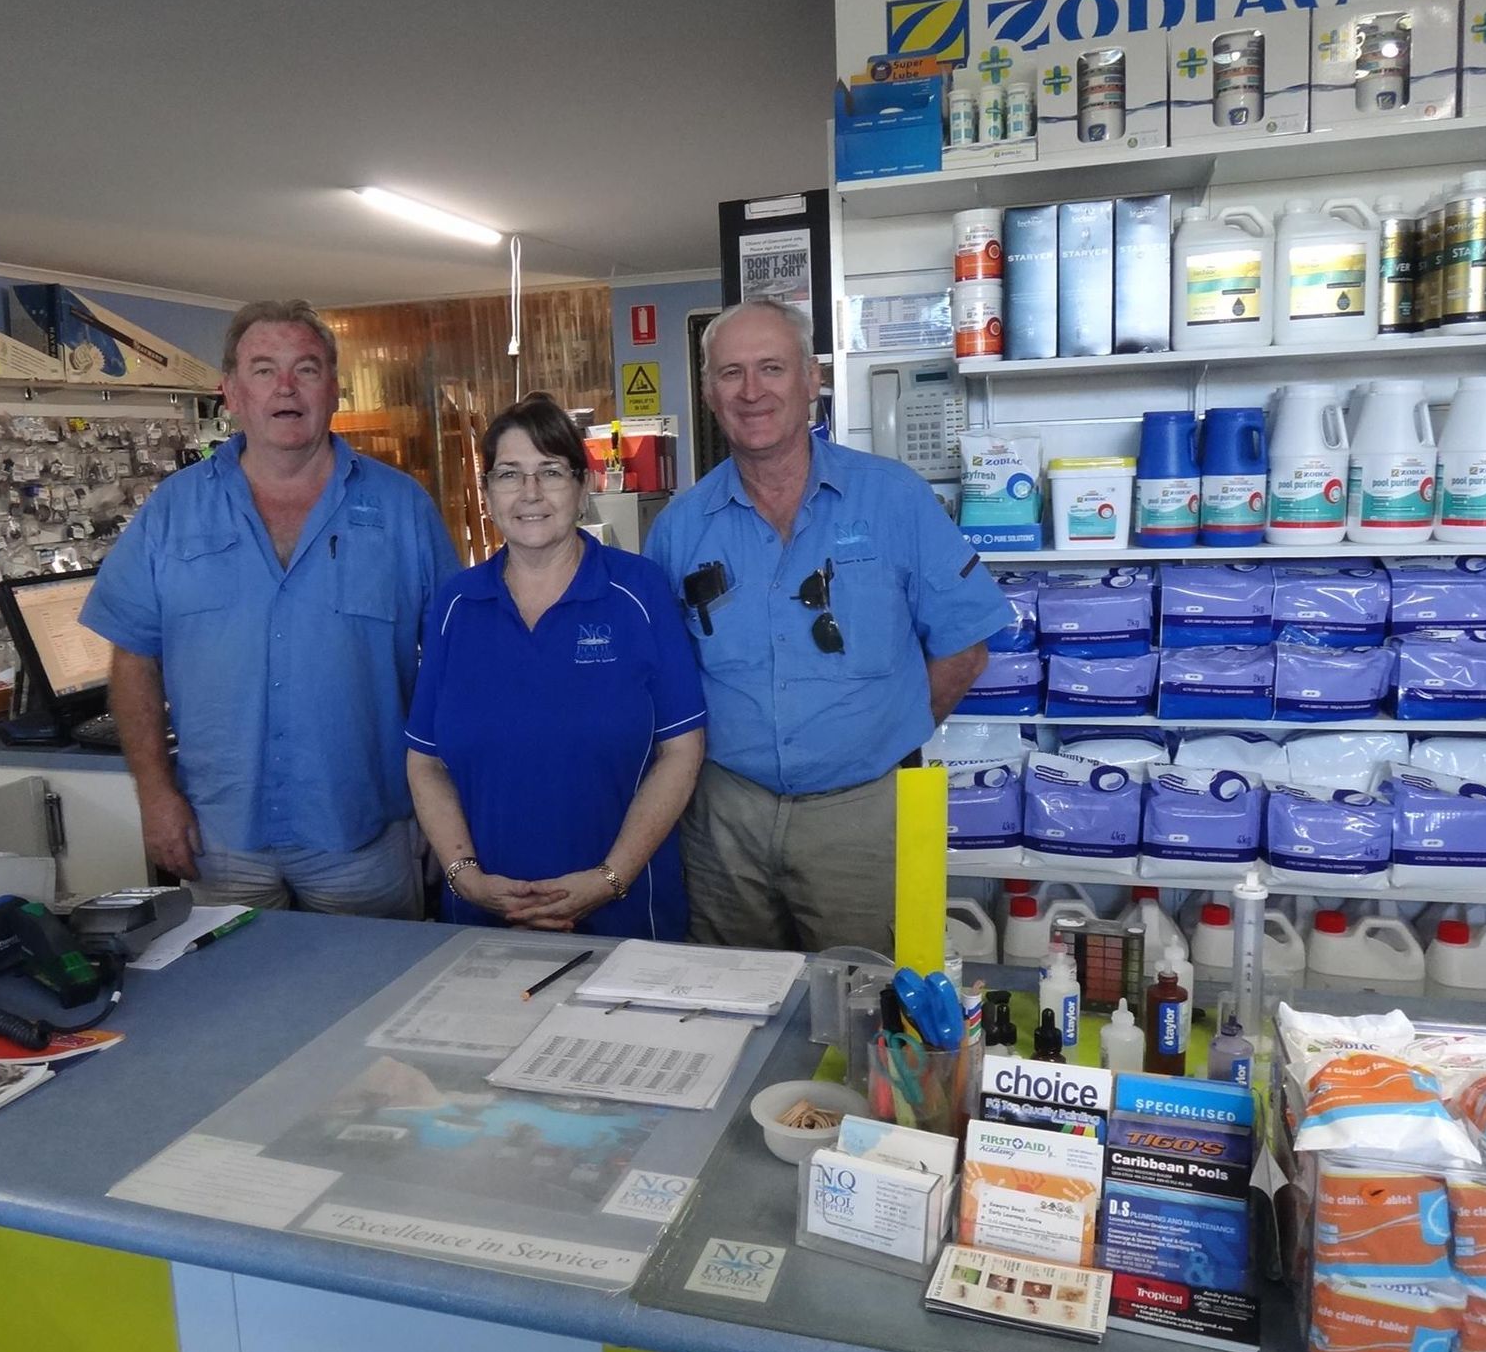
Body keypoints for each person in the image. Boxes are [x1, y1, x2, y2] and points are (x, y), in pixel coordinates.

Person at [643, 298, 1009, 953]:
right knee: (732, 1005)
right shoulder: (679, 526)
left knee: (878, 1010)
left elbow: (965, 648)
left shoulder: (894, 498)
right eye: (731, 374)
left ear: (811, 380)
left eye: (772, 368)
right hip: (723, 819)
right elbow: (659, 680)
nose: (751, 392)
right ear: (707, 391)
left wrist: (876, 741)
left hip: (868, 815)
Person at [82, 299, 460, 916]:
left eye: (306, 369)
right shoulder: (172, 512)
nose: (286, 388)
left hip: (367, 831)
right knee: (235, 1003)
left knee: (374, 1000)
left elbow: (455, 665)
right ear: (230, 391)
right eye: (263, 370)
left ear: (333, 388)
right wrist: (154, 793)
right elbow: (133, 657)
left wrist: (440, 808)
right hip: (220, 837)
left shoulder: (402, 509)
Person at [405, 396, 705, 939]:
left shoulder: (638, 592)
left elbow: (682, 750)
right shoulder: (456, 604)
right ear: (487, 492)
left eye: (550, 472)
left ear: (582, 486)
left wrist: (609, 879)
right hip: (484, 919)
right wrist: (466, 877)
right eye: (510, 474)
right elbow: (425, 762)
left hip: (625, 914)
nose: (530, 494)